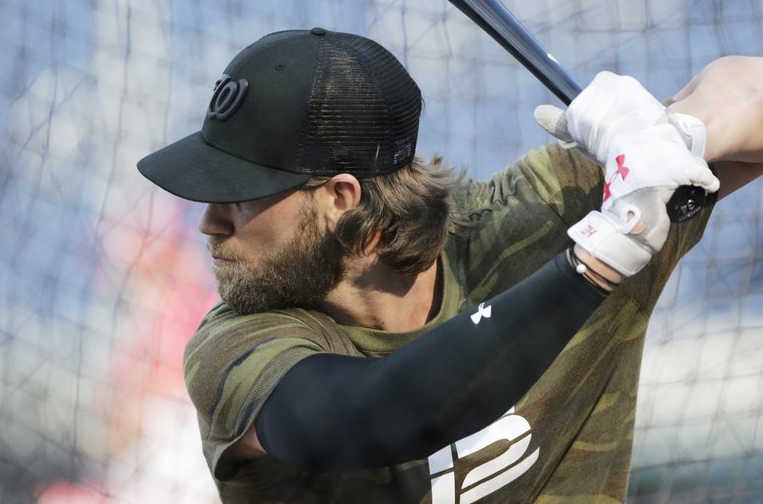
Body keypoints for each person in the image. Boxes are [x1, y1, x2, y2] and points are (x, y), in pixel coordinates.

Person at [137, 29, 763, 502]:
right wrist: (597, 260)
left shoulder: (549, 212)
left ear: (338, 198)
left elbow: (748, 86)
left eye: (239, 197)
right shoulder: (238, 344)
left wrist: (671, 138)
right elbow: (378, 416)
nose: (209, 223)